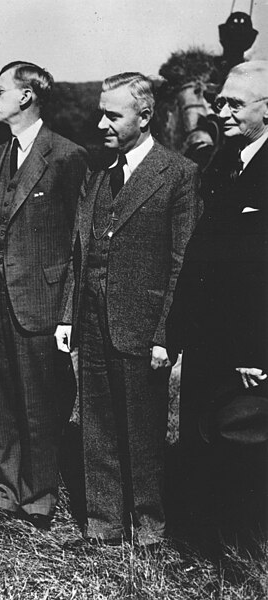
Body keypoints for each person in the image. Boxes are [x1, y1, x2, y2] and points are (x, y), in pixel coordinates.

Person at [55, 72, 201, 547]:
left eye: (112, 115)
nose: (102, 123)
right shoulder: (98, 173)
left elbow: (182, 263)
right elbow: (80, 248)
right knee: (97, 426)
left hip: (142, 329)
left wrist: (165, 335)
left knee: (142, 432)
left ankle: (150, 531)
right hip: (94, 323)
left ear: (144, 116)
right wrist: (69, 317)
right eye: (101, 112)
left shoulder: (177, 174)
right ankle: (103, 526)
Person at [0, 61, 88, 531]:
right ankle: (4, 495)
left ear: (27, 97)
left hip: (39, 299)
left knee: (39, 401)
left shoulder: (67, 156)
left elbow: (79, 242)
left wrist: (67, 314)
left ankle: (38, 499)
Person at [168, 60, 268, 555]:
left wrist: (260, 350)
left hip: (249, 345)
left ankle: (243, 558)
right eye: (219, 101)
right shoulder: (225, 158)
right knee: (203, 440)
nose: (219, 111)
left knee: (245, 450)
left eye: (234, 104)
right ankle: (200, 547)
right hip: (209, 337)